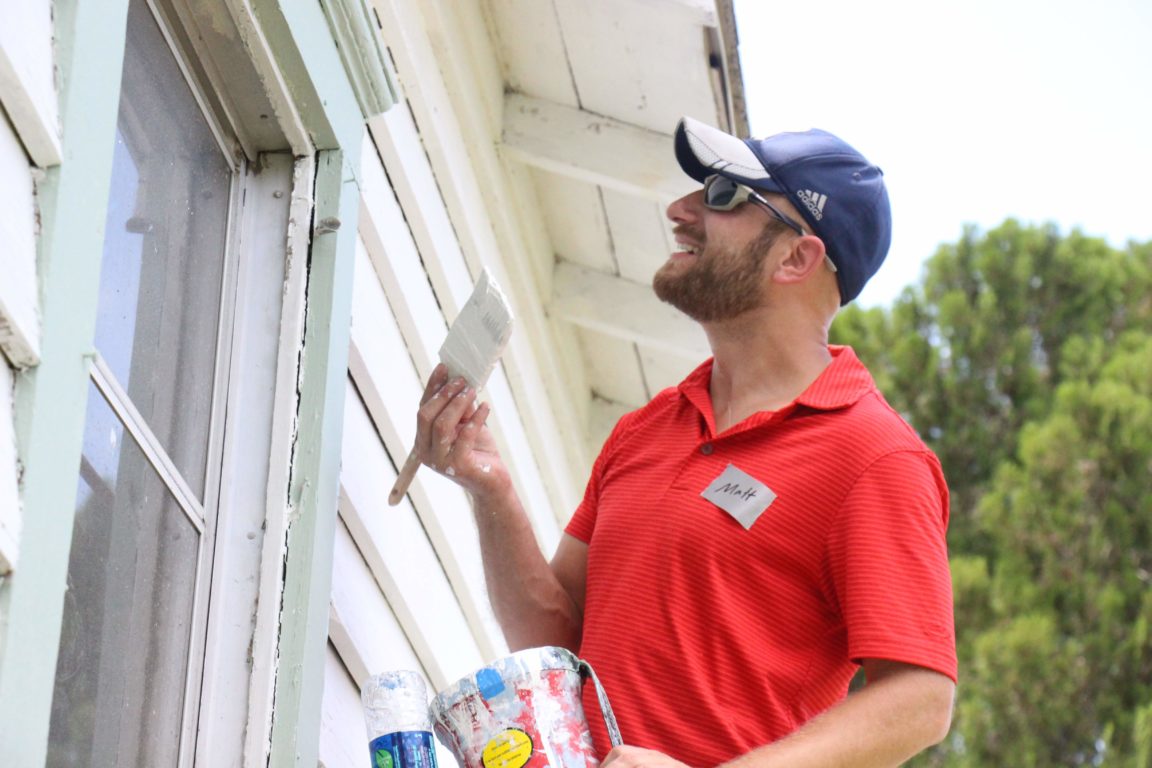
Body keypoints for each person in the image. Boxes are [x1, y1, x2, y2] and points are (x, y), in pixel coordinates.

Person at [409, 117, 957, 768]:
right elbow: (557, 640)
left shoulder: (874, 457)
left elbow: (922, 698)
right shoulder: (647, 429)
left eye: (724, 196)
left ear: (796, 258)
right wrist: (489, 485)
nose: (680, 209)